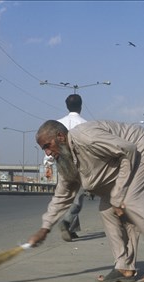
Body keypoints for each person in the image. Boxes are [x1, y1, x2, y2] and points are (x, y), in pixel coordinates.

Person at [28, 120, 144, 282]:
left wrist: (118, 196)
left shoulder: (86, 137)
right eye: (43, 149)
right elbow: (62, 195)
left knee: (131, 199)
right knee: (106, 209)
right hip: (123, 163)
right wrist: (45, 228)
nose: (47, 153)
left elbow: (128, 149)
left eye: (47, 145)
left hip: (141, 148)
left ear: (60, 137)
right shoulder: (66, 160)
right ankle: (124, 267)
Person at [56, 94, 88, 242]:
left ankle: (72, 229)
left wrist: (48, 161)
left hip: (62, 164)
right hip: (79, 165)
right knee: (78, 198)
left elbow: (52, 146)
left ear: (66, 106)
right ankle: (66, 222)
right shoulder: (86, 125)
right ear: (81, 107)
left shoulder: (57, 124)